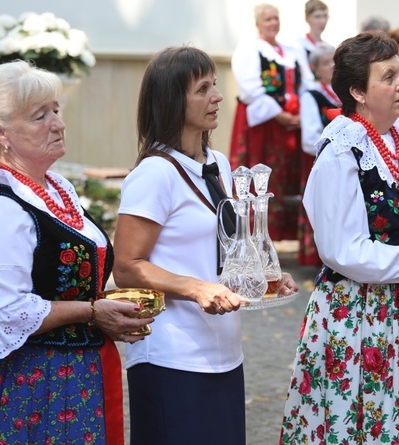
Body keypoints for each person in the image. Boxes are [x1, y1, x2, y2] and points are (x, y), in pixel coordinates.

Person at [281, 31, 399, 444]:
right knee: (366, 419)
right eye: (388, 76)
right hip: (362, 315)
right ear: (357, 91)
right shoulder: (341, 151)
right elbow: (339, 249)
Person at [0, 61, 151, 444]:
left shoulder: (56, 189)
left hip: (74, 380)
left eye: (56, 111)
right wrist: (92, 311)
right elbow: (1, 314)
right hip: (29, 388)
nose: (58, 124)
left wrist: (104, 306)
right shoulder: (1, 209)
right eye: (39, 116)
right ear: (1, 133)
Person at [113, 46, 299, 445]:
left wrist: (263, 276)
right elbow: (127, 266)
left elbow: (224, 248)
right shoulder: (154, 174)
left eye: (214, 85)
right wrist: (196, 288)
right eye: (202, 89)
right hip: (171, 354)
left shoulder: (217, 163)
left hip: (223, 352)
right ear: (170, 102)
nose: (216, 96)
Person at [230, 3, 313, 241]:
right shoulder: (249, 48)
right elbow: (250, 89)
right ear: (257, 23)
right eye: (268, 19)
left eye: (276, 18)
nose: (273, 23)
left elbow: (305, 82)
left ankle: (279, 236)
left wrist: (302, 114)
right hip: (264, 124)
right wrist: (279, 114)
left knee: (286, 176)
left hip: (291, 124)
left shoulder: (289, 50)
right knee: (261, 172)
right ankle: (255, 235)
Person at [298, 42, 340, 267]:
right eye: (326, 63)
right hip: (321, 160)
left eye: (334, 60)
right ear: (315, 69)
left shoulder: (344, 93)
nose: (332, 66)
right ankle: (318, 256)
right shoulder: (311, 96)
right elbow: (309, 138)